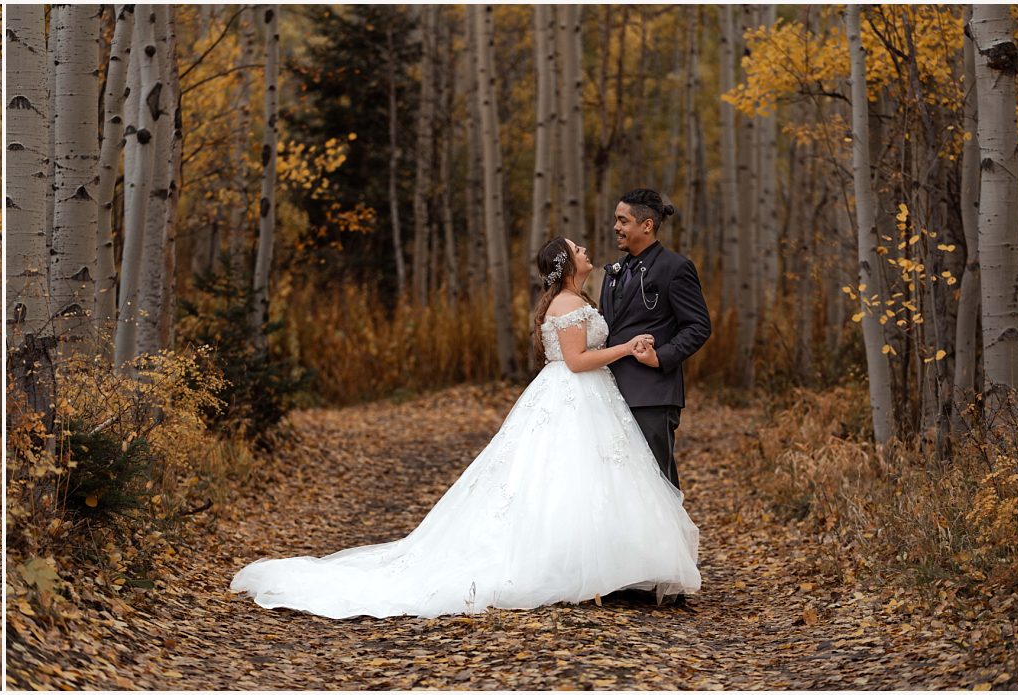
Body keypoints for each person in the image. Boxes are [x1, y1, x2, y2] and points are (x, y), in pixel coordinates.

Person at [230, 238, 700, 619]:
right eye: (578, 249)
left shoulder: (576, 297)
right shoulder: (564, 304)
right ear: (566, 263)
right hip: (573, 395)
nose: (587, 252)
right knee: (561, 478)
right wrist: (625, 349)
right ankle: (569, 566)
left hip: (592, 400)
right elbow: (576, 362)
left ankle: (612, 566)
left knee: (593, 481)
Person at [599, 189, 712, 489]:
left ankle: (669, 538)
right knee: (619, 485)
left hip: (652, 395)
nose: (616, 227)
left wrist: (660, 356)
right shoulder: (614, 272)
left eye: (623, 220)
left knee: (656, 484)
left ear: (646, 225)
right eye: (616, 220)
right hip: (609, 394)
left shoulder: (675, 268)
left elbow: (699, 325)